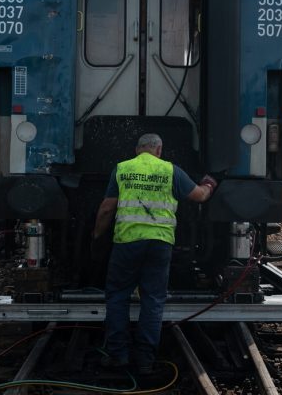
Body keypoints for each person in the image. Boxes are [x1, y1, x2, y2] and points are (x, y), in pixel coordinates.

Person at [92, 133, 217, 375]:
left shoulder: (123, 169)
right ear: (159, 150)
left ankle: (118, 355)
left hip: (127, 242)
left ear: (137, 150)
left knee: (117, 297)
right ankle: (145, 360)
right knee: (153, 300)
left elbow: (107, 208)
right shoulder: (171, 171)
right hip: (160, 244)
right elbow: (200, 196)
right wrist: (209, 184)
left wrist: (96, 236)